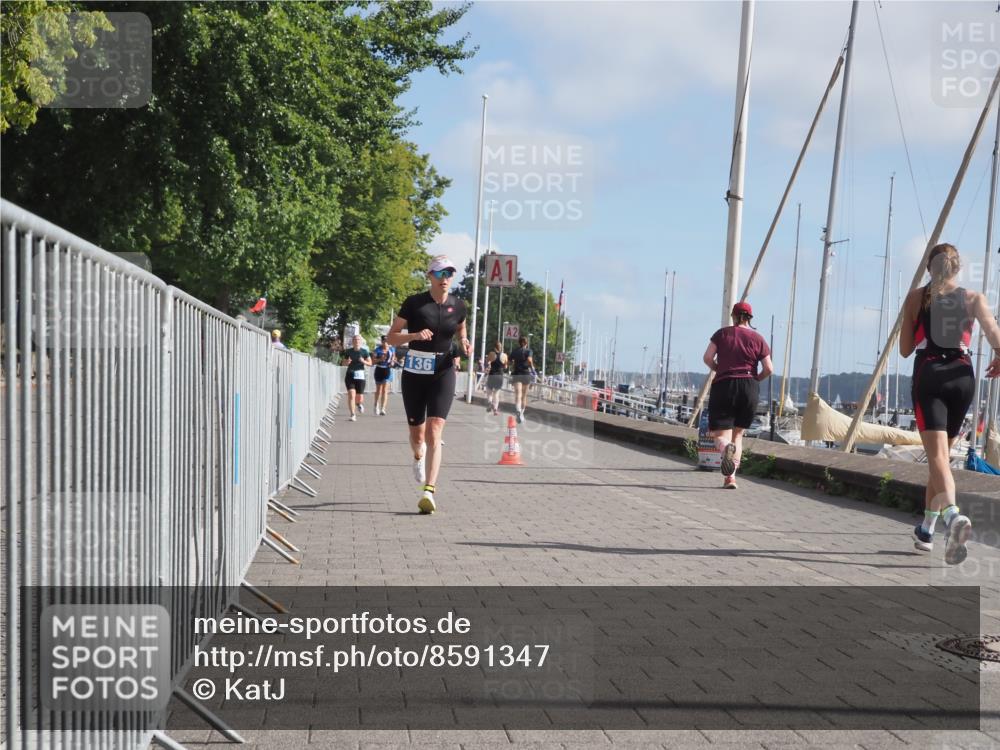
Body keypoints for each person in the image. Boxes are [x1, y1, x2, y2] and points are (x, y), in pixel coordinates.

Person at [900, 243, 1000, 564]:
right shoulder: (973, 299)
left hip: (930, 375)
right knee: (938, 460)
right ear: (957, 269)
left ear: (931, 267)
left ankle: (954, 517)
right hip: (963, 377)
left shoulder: (917, 297)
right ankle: (926, 529)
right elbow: (995, 334)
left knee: (938, 458)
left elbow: (904, 349)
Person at [387, 256, 471, 515]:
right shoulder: (414, 303)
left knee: (435, 431)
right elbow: (391, 337)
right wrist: (413, 335)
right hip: (414, 372)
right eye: (440, 273)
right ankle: (417, 456)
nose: (445, 278)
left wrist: (465, 342)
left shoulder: (459, 306)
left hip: (443, 371)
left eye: (449, 273)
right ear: (430, 276)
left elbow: (461, 330)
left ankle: (429, 491)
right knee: (417, 435)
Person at [702, 301, 773, 489]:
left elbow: (707, 358)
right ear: (750, 318)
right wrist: (755, 379)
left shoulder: (722, 334)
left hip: (725, 384)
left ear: (733, 316)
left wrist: (719, 369)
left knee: (720, 436)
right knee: (738, 435)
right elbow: (769, 368)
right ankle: (731, 478)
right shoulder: (759, 339)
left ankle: (726, 449)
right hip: (749, 386)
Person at [340, 334, 372, 422]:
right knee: (351, 395)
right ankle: (352, 414)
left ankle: (359, 404)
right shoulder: (348, 351)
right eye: (355, 340)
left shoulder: (364, 351)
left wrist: (364, 361)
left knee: (359, 398)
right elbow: (343, 363)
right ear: (352, 342)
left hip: (360, 375)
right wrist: (347, 362)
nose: (356, 341)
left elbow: (370, 363)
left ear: (361, 342)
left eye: (358, 340)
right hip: (350, 375)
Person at [509, 336, 535, 423]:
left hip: (516, 374)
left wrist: (513, 363)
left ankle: (518, 410)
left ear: (519, 343)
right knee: (524, 396)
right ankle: (521, 414)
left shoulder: (515, 351)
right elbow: (529, 360)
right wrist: (532, 368)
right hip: (525, 374)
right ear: (526, 343)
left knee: (518, 394)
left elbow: (509, 362)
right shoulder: (529, 351)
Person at [373, 335, 396, 416]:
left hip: (387, 370)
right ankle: (376, 405)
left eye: (387, 341)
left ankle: (383, 408)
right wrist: (380, 359)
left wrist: (392, 362)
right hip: (379, 369)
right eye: (384, 341)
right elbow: (373, 361)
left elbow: (393, 358)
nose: (386, 343)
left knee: (385, 390)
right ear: (382, 341)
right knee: (379, 390)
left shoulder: (392, 349)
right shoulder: (377, 350)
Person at [484, 341, 508, 415]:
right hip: (500, 376)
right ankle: (495, 409)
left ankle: (490, 402)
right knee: (496, 393)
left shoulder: (491, 354)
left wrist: (488, 364)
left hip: (492, 374)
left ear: (495, 347)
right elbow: (506, 367)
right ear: (501, 348)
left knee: (489, 390)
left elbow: (486, 362)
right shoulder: (504, 355)